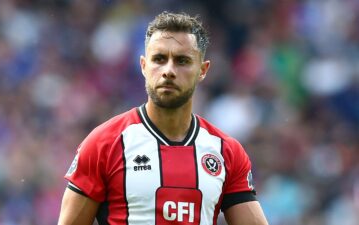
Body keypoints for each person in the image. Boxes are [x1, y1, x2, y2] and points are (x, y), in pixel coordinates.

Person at [58, 11, 268, 225]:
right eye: (159, 59)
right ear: (143, 66)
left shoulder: (226, 153)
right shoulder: (104, 144)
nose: (168, 70)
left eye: (182, 61)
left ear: (203, 70)